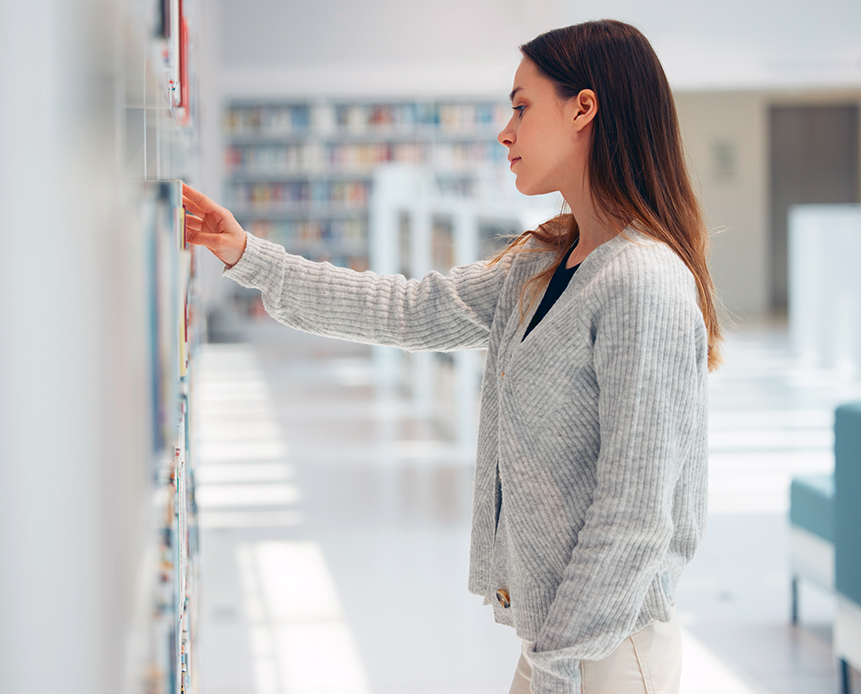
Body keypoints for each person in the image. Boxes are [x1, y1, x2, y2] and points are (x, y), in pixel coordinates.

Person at [183, 19, 720, 694]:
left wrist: (557, 666)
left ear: (584, 108)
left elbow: (636, 514)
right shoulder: (543, 261)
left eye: (522, 107)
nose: (506, 130)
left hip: (608, 653)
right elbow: (408, 308)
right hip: (558, 638)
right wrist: (248, 256)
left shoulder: (643, 281)